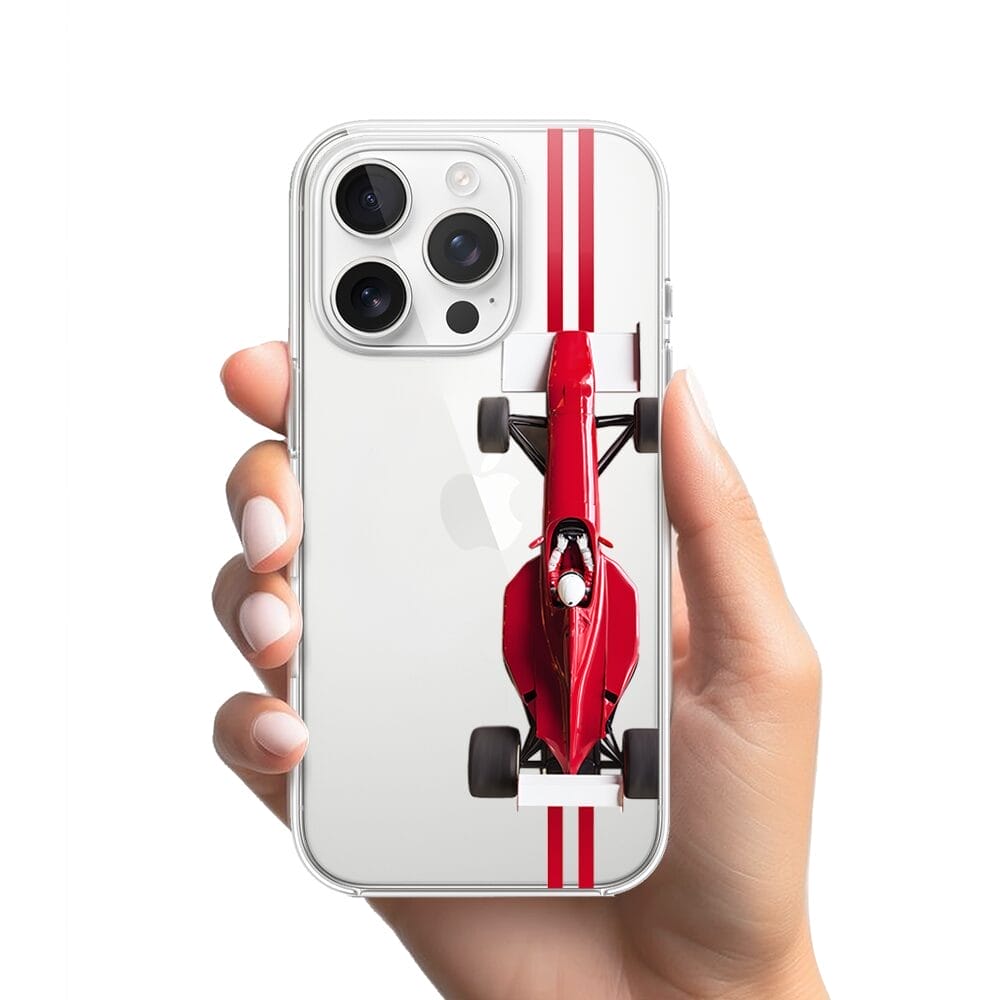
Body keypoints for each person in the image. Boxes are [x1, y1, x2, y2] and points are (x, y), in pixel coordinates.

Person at [212, 342, 828, 999]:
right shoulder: (547, 585)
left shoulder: (604, 597)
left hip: (584, 635)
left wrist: (733, 981)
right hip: (554, 616)